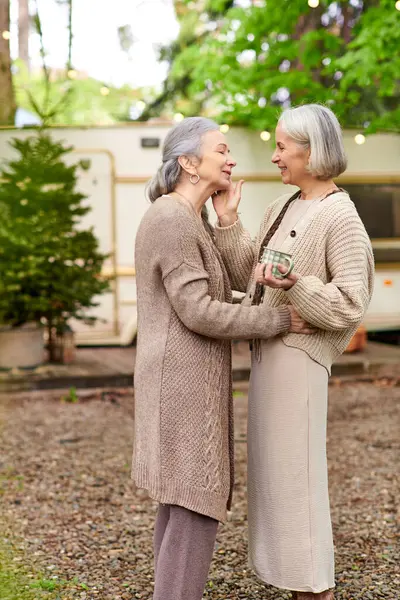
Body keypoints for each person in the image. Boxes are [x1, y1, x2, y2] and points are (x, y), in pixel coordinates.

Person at [131, 116, 314, 600]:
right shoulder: (171, 219)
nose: (231, 159)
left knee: (181, 508)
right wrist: (279, 321)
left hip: (181, 384)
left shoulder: (190, 218)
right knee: (193, 507)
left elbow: (242, 283)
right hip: (180, 388)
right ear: (189, 163)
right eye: (221, 151)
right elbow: (199, 312)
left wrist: (228, 219)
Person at [212, 104, 374, 600]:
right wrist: (228, 222)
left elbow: (351, 302)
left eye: (283, 146)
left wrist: (297, 284)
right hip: (270, 355)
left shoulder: (340, 215)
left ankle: (314, 589)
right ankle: (294, 583)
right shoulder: (283, 207)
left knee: (296, 479)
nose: (276, 155)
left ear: (312, 151)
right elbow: (251, 277)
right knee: (275, 480)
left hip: (300, 361)